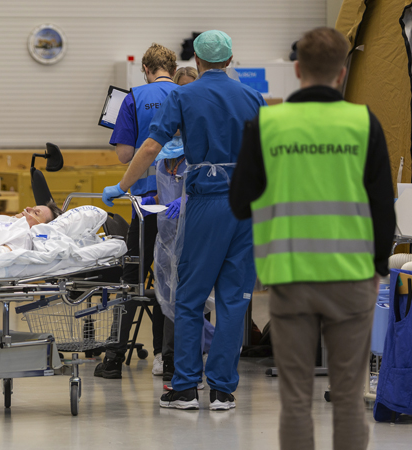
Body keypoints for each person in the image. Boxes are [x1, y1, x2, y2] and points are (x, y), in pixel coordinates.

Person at [230, 27, 395, 450]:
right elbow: (382, 207)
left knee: (296, 402)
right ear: (342, 73)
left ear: (298, 70)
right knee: (347, 400)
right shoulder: (363, 123)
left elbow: (240, 203)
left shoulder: (268, 124)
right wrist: (378, 267)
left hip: (290, 278)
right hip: (352, 278)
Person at [103, 30, 266, 410]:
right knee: (234, 301)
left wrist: (121, 186)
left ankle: (186, 388)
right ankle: (223, 390)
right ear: (230, 60)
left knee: (190, 298)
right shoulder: (253, 97)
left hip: (206, 204)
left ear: (196, 59)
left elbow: (149, 147)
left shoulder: (183, 95)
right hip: (246, 207)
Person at [96, 43, 180, 380]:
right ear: (173, 69)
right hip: (179, 204)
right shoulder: (186, 95)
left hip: (145, 205)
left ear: (145, 68)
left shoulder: (133, 98)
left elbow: (124, 154)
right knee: (170, 279)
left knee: (132, 281)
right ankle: (166, 359)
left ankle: (113, 359)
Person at [152, 66, 198, 381]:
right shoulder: (163, 160)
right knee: (170, 296)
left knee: (194, 296)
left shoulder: (199, 151)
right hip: (168, 237)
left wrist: (186, 200)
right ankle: (169, 357)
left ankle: (197, 355)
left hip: (195, 232)